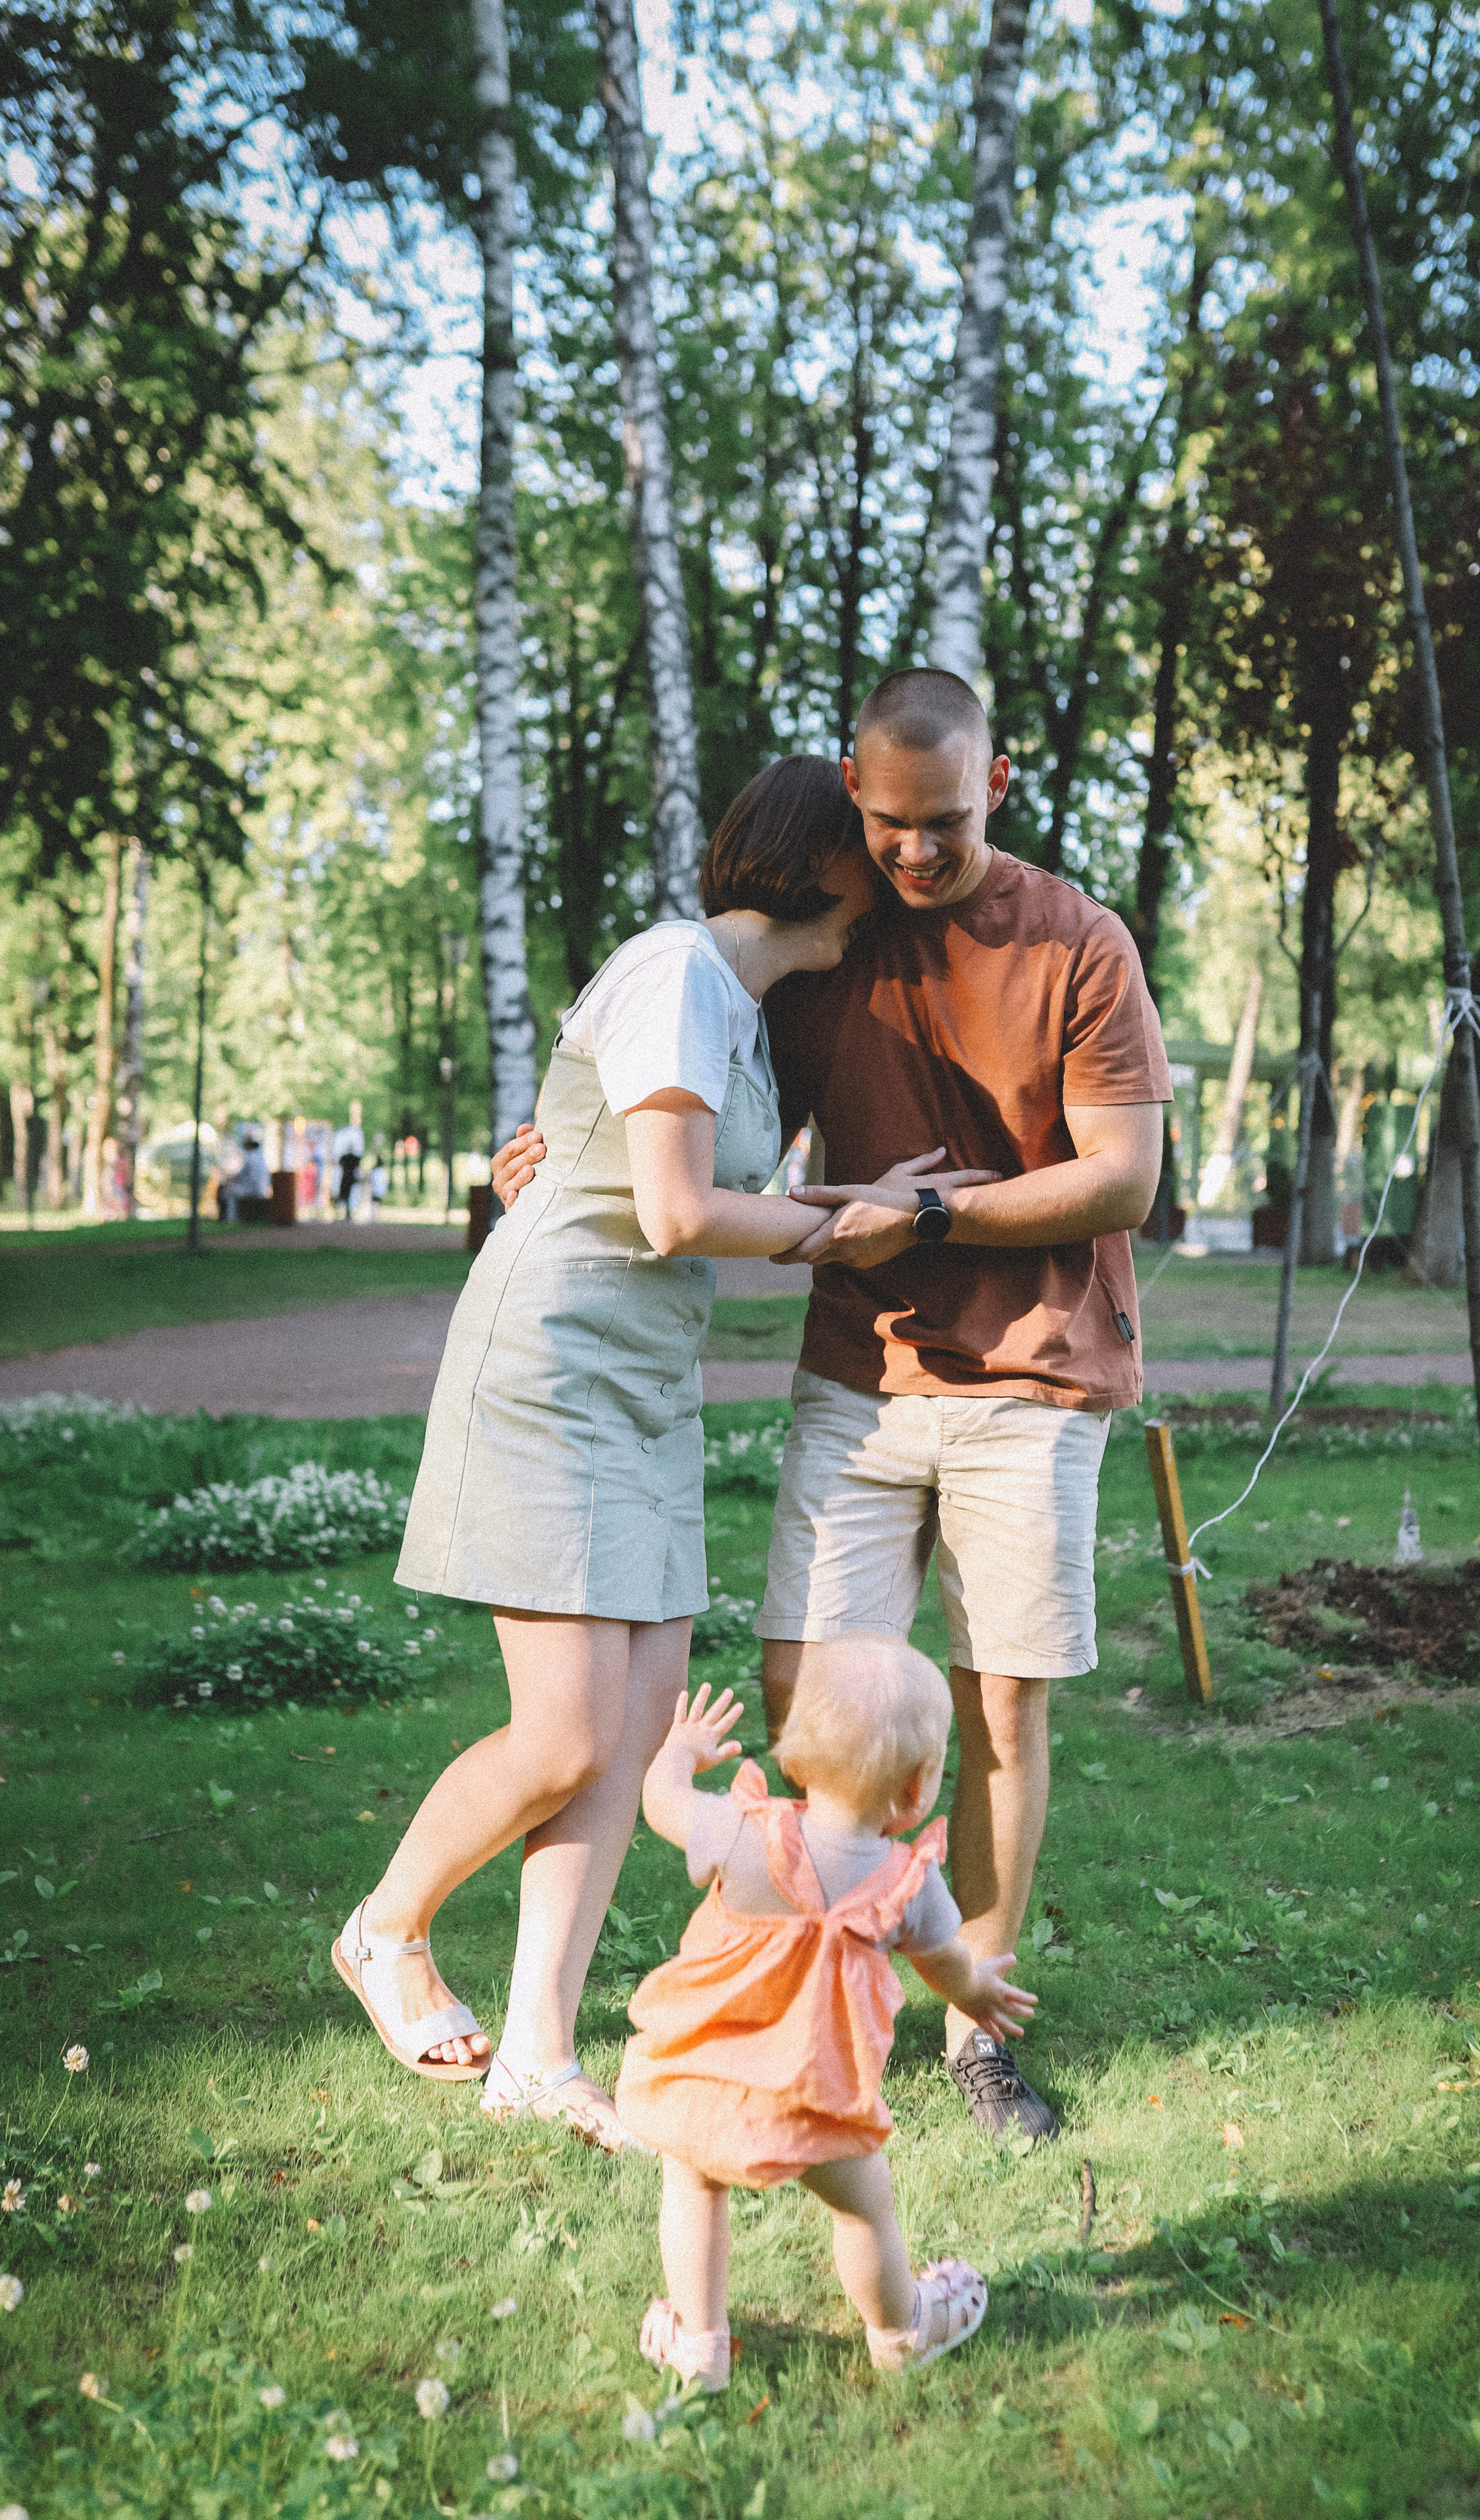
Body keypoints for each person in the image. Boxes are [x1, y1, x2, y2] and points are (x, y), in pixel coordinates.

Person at [494, 673, 1171, 2147]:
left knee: (998, 1707)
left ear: (993, 785)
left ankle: (975, 2021)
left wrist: (925, 1223)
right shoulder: (825, 953)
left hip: (1035, 1373)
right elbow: (703, 1093)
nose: (917, 853)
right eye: (888, 825)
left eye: (943, 821)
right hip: (855, 1375)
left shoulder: (1076, 942)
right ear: (851, 806)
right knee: (804, 1703)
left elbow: (1122, 1179)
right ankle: (817, 1967)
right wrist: (567, 1137)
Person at [335, 758, 991, 2151]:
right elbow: (683, 1212)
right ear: (825, 866)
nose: (901, 871)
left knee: (626, 1736)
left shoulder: (743, 1015)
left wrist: (878, 1204)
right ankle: (385, 1929)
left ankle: (536, 2052)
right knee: (564, 1730)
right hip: (553, 1371)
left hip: (644, 1385)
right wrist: (845, 1224)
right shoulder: (679, 975)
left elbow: (704, 1193)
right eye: (878, 850)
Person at [616, 1648, 1029, 2390]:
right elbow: (947, 1964)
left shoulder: (741, 1832)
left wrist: (677, 1753)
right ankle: (899, 2331)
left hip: (706, 2075)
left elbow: (661, 1804)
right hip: (817, 2096)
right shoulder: (909, 1885)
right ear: (917, 1787)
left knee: (693, 2182)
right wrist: (978, 1997)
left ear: (797, 1759)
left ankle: (700, 2343)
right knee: (865, 2210)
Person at [333, 1106, 364, 1219]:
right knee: (347, 1195)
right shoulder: (354, 1158)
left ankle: (343, 1213)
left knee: (345, 1195)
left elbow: (340, 1163)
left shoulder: (346, 1157)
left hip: (346, 1177)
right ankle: (345, 1213)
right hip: (350, 1178)